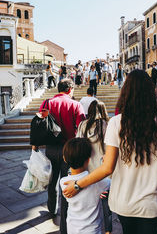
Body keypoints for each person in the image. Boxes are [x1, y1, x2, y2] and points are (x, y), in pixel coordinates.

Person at [62, 70, 157, 234]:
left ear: (126, 93)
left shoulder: (116, 123)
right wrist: (154, 164)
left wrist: (77, 184)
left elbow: (108, 168)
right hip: (152, 204)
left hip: (125, 203)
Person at [34, 78, 85, 234]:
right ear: (70, 89)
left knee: (52, 178)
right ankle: (65, 216)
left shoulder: (46, 103)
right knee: (66, 182)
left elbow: (38, 123)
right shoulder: (76, 104)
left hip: (50, 148)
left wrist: (35, 144)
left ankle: (51, 208)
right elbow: (81, 128)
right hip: (68, 149)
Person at [60, 138, 110, 234]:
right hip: (92, 229)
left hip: (72, 228)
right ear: (88, 160)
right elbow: (111, 182)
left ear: (64, 159)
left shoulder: (63, 182)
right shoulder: (99, 183)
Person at [76, 100, 112, 234]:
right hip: (104, 170)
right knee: (106, 203)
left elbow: (78, 144)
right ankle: (108, 230)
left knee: (89, 203)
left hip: (86, 171)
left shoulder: (82, 125)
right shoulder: (107, 125)